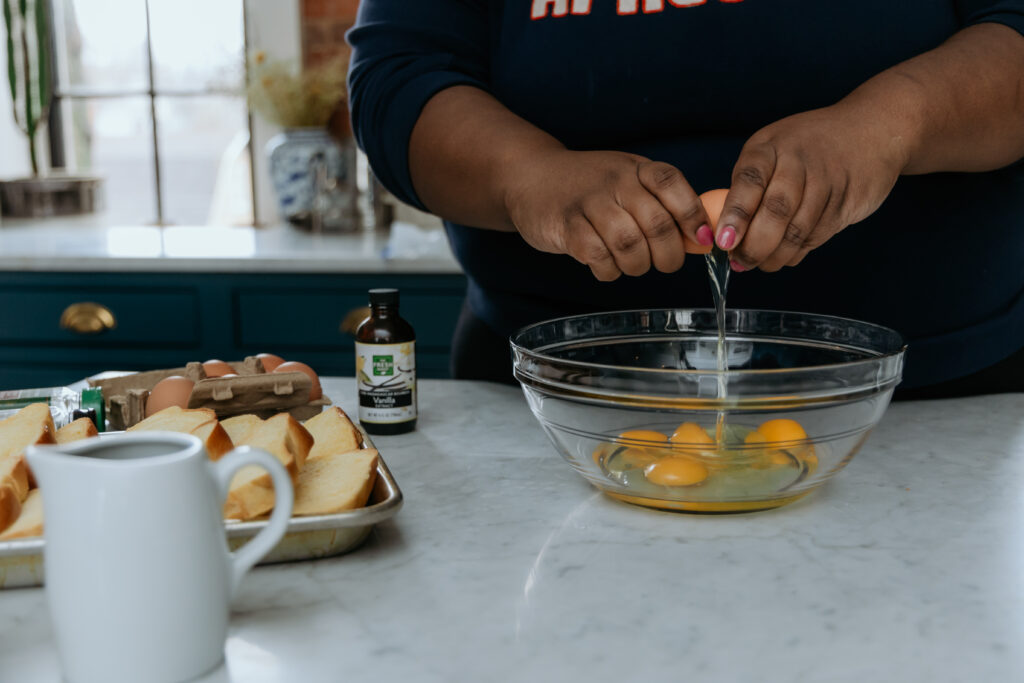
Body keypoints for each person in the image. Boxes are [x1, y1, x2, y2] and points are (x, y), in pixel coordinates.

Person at [347, 1, 1024, 398]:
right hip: (554, 403)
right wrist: (530, 176)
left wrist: (890, 127)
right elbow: (400, 77)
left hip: (938, 395)